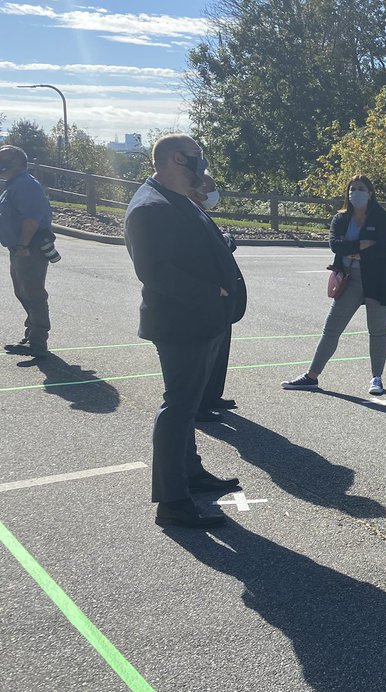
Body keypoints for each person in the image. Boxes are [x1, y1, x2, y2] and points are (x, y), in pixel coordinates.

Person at [125, 134, 245, 529]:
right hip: (182, 323)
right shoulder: (150, 207)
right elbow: (156, 273)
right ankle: (172, 501)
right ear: (178, 158)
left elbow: (190, 247)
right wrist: (214, 290)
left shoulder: (176, 197)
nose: (202, 164)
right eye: (198, 157)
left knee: (188, 406)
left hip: (202, 320)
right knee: (178, 408)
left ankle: (190, 474)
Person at [282, 175, 386, 396]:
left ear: (370, 193)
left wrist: (353, 248)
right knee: (331, 329)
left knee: (377, 331)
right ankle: (311, 377)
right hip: (349, 280)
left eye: (361, 188)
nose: (355, 192)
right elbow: (336, 246)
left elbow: (383, 247)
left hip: (378, 280)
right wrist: (362, 245)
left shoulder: (382, 217)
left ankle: (377, 378)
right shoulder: (341, 218)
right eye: (352, 189)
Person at [189, 174, 240, 422]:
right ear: (197, 191)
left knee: (220, 350)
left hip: (222, 297)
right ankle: (198, 405)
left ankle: (212, 396)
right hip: (209, 297)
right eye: (211, 188)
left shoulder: (199, 212)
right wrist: (226, 241)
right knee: (205, 355)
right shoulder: (188, 212)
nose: (214, 192)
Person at [0, 145, 54, 358]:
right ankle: (32, 334)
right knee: (23, 292)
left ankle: (38, 341)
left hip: (29, 249)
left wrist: (22, 245)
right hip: (20, 248)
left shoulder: (25, 185)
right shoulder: (14, 185)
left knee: (33, 293)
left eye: (4, 161)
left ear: (19, 163)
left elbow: (31, 218)